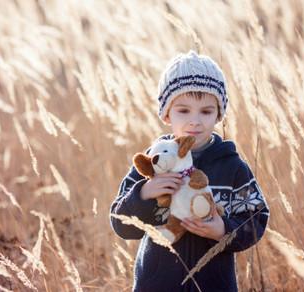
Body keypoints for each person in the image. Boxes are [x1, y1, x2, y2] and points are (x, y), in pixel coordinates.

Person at [109, 50, 270, 292]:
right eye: (183, 110)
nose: (195, 121)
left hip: (214, 285)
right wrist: (143, 194)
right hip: (157, 285)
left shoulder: (232, 166)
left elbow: (255, 218)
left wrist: (223, 229)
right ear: (166, 114)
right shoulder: (152, 164)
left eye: (205, 111)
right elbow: (121, 224)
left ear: (218, 115)